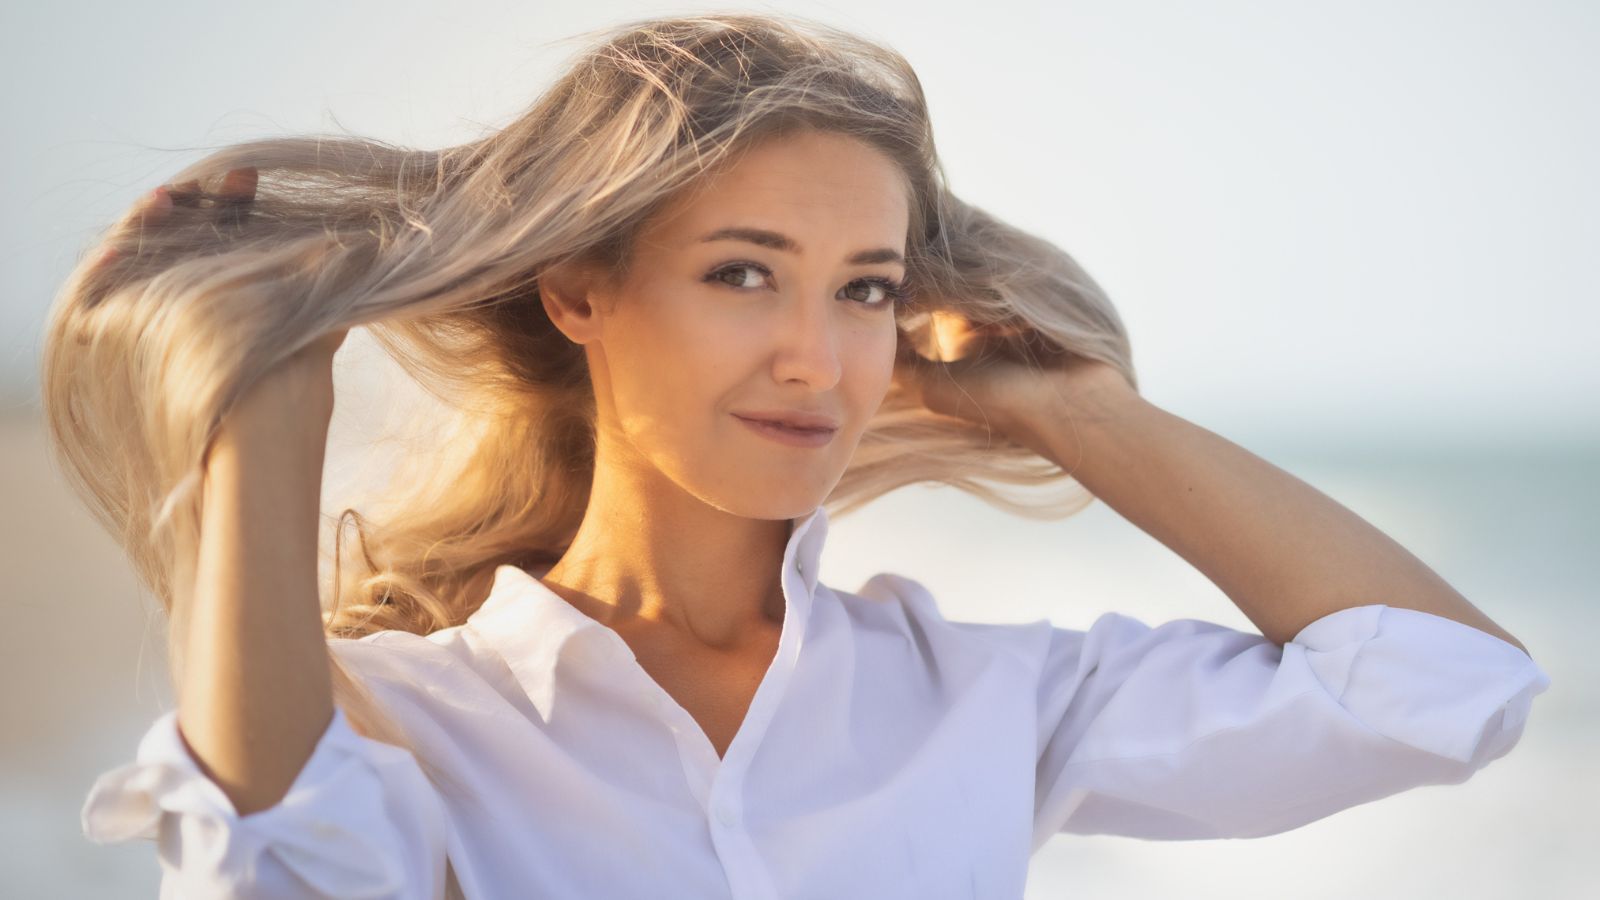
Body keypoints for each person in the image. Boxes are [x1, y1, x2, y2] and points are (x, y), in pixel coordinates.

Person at [49, 12, 1549, 899]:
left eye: (869, 289)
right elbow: (282, 868)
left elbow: (1445, 694)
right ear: (581, 290)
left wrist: (1079, 413)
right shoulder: (404, 716)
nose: (817, 359)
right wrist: (268, 399)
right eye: (744, 273)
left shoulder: (981, 698)